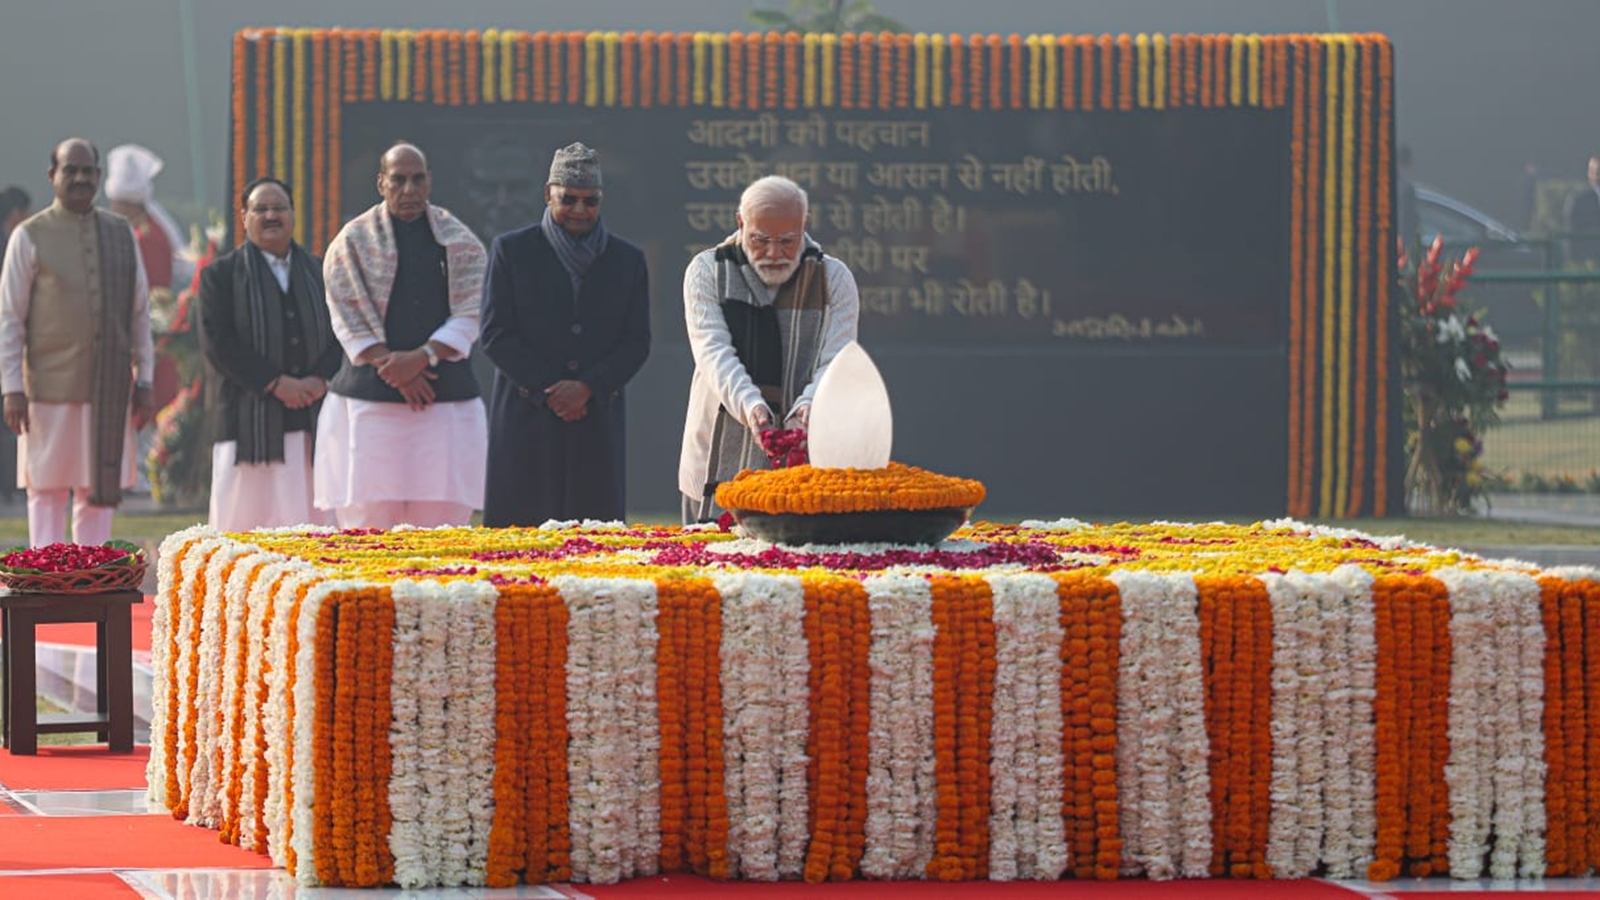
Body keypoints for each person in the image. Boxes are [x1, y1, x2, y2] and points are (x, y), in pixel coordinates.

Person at [315, 141, 488, 529]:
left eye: (417, 179)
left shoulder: (459, 241)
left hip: (443, 404)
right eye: (398, 180)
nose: (408, 189)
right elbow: (345, 312)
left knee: (442, 528)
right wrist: (393, 368)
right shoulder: (352, 241)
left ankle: (440, 594)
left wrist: (419, 359)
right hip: (370, 404)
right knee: (367, 524)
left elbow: (472, 311)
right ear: (381, 183)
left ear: (429, 182)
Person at [479, 143, 651, 527]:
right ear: (547, 195)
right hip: (527, 417)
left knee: (594, 548)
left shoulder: (627, 260)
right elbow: (494, 334)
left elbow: (636, 341)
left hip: (596, 419)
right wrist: (550, 389)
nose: (579, 210)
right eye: (568, 199)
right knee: (518, 546)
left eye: (590, 201)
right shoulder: (512, 251)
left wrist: (587, 387)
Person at [678, 174, 860, 524]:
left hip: (806, 459)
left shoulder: (834, 278)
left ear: (804, 226)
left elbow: (836, 360)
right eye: (760, 240)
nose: (774, 253)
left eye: (787, 241)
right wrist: (753, 408)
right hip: (712, 463)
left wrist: (807, 408)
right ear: (740, 223)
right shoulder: (705, 270)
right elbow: (714, 353)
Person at [0, 138, 155, 546]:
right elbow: (10, 319)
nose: (80, 178)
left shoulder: (121, 234)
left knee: (97, 493)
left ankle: (90, 582)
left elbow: (140, 312)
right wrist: (12, 388)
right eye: (71, 170)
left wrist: (145, 379)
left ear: (99, 177)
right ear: (52, 176)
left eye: (88, 171)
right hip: (47, 389)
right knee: (46, 489)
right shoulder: (29, 236)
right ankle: (47, 581)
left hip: (108, 387)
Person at [197, 177, 339, 531]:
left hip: (312, 417)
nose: (271, 215)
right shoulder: (221, 275)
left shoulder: (321, 271)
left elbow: (342, 330)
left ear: (293, 215)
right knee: (243, 528)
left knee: (312, 525)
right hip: (247, 423)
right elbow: (218, 342)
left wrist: (318, 380)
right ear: (244, 217)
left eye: (279, 208)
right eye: (261, 209)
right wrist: (275, 383)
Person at [1563, 152, 1600, 264]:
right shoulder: (1578, 200)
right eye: (1593, 172)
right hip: (1589, 266)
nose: (1596, 176)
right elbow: (1571, 241)